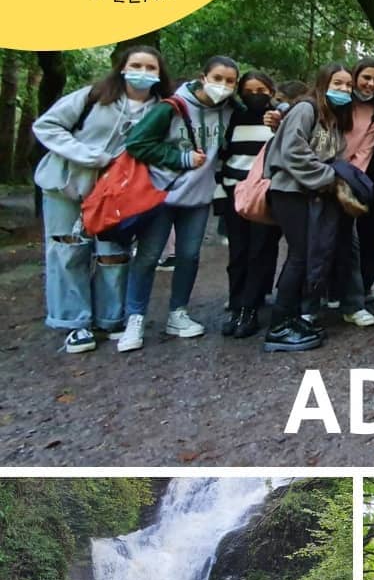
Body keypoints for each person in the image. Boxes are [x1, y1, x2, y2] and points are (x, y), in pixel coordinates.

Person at [33, 46, 173, 353]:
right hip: (68, 184)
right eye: (136, 65)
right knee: (68, 251)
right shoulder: (93, 96)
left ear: (160, 73)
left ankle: (109, 318)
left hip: (118, 194)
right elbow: (46, 125)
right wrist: (90, 156)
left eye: (151, 68)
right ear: (122, 68)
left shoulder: (162, 109)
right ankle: (75, 323)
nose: (143, 72)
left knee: (114, 251)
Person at [116, 55, 241, 353]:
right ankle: (134, 318)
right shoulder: (172, 107)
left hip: (198, 197)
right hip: (163, 193)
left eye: (230, 81)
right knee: (148, 256)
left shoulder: (230, 109)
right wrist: (180, 158)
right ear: (203, 77)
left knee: (189, 255)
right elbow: (137, 143)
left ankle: (178, 313)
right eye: (218, 78)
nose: (223, 86)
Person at [261, 63, 354, 352]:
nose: (344, 89)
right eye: (338, 84)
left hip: (311, 193)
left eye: (348, 85)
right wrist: (328, 176)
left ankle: (292, 318)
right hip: (290, 191)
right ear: (324, 83)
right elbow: (293, 150)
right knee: (299, 255)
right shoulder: (306, 108)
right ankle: (278, 325)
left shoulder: (333, 118)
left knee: (307, 254)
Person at [218, 70, 282, 339]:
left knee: (260, 252)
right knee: (238, 253)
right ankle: (236, 305)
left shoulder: (278, 117)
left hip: (264, 194)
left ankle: (250, 309)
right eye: (249, 92)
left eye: (261, 91)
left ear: (271, 92)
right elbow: (222, 157)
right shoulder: (232, 118)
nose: (255, 96)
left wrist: (278, 124)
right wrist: (219, 196)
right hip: (234, 192)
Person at [335, 58, 374, 327]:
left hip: (347, 179)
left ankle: (352, 304)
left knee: (350, 244)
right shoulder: (335, 102)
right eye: (366, 77)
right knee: (315, 244)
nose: (370, 84)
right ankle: (310, 303)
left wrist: (345, 180)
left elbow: (365, 152)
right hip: (316, 175)